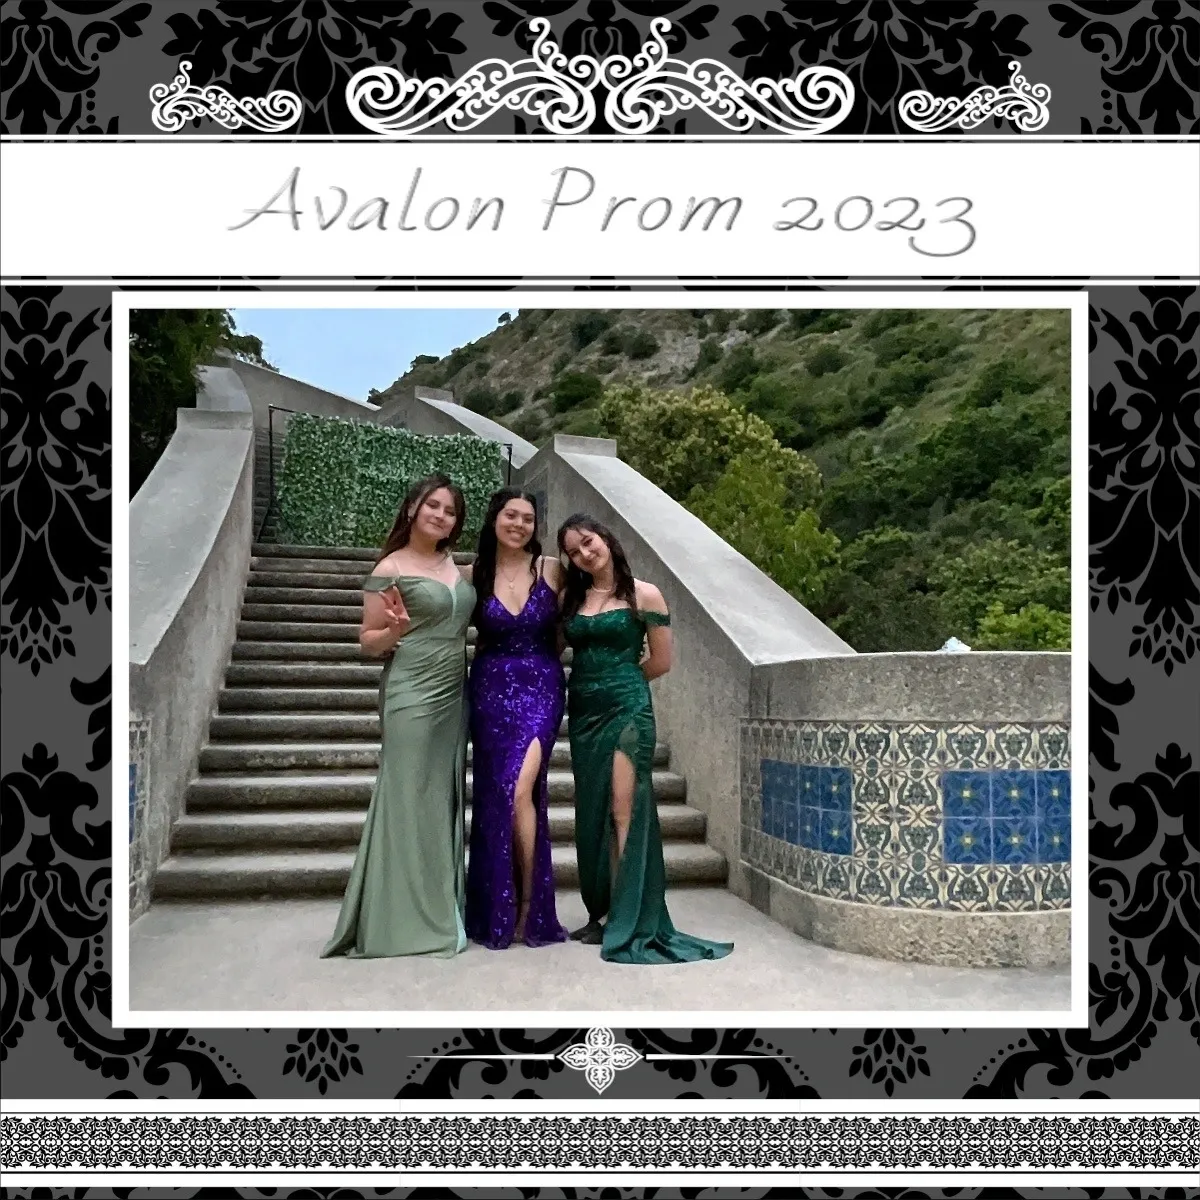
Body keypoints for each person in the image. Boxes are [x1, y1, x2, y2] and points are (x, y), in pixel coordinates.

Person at [557, 513, 734, 965]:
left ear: (606, 539)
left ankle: (632, 916)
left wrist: (621, 684)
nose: (584, 554)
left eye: (588, 542)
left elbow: (661, 661)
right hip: (583, 713)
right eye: (573, 551)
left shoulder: (644, 593)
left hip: (626, 710)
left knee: (624, 809)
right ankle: (604, 909)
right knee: (592, 809)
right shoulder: (572, 597)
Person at [321, 473, 474, 959]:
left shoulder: (458, 566)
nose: (441, 516)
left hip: (454, 690)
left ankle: (439, 904)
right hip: (410, 687)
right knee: (405, 794)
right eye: (433, 506)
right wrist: (396, 632)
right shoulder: (388, 568)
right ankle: (395, 918)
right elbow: (367, 643)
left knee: (440, 796)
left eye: (450, 511)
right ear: (412, 509)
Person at [464, 488, 568, 948]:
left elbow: (579, 617)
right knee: (495, 796)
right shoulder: (472, 574)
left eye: (528, 518)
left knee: (520, 788)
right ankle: (493, 907)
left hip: (541, 686)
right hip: (488, 691)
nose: (519, 524)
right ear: (494, 520)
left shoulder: (553, 571)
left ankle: (529, 907)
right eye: (511, 515)